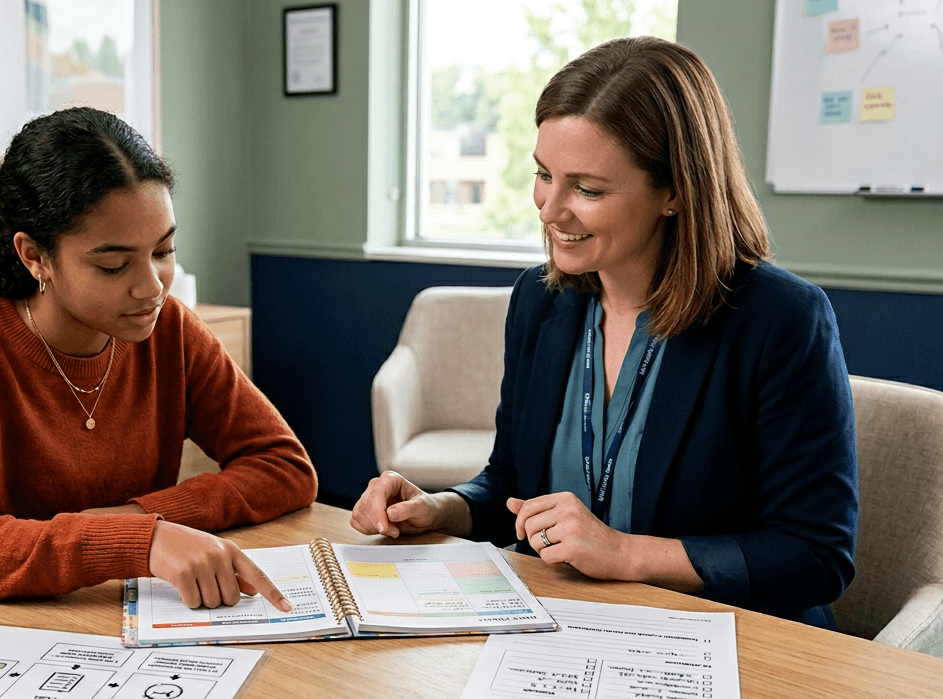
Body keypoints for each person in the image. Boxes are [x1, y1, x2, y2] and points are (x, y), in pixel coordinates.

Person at [351, 37, 858, 628]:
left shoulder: (781, 319)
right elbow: (513, 485)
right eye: (544, 175)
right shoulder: (541, 302)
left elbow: (817, 556)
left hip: (727, 640)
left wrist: (625, 553)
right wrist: (443, 508)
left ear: (674, 191)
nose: (549, 209)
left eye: (587, 189)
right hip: (564, 626)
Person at [0, 107, 317, 612]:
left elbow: (285, 466)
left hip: (109, 612)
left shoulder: (171, 330)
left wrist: (138, 517)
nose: (151, 287)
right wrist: (142, 540)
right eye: (114, 265)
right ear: (35, 256)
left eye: (163, 252)